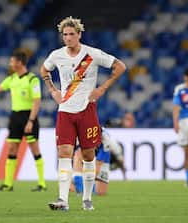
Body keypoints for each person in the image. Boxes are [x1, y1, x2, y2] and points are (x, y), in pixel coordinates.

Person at [40, 16, 126, 211]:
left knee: (88, 156)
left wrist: (102, 88)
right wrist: (53, 91)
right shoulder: (56, 55)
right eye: (65, 35)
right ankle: (63, 199)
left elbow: (120, 66)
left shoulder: (92, 54)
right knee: (64, 153)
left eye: (71, 34)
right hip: (65, 112)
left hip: (87, 111)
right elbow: (44, 70)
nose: (68, 38)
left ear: (79, 35)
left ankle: (87, 198)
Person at [0, 51, 46, 192]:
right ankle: (8, 184)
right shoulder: (12, 78)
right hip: (15, 117)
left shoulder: (33, 79)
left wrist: (31, 121)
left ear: (19, 62)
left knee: (34, 149)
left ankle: (42, 183)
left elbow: (37, 101)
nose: (10, 64)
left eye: (11, 61)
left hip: (28, 116)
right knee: (12, 148)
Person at [72, 127, 126, 196]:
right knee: (77, 155)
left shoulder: (106, 142)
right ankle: (79, 187)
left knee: (101, 193)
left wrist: (125, 177)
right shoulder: (81, 135)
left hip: (103, 159)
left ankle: (87, 188)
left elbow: (97, 167)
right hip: (87, 152)